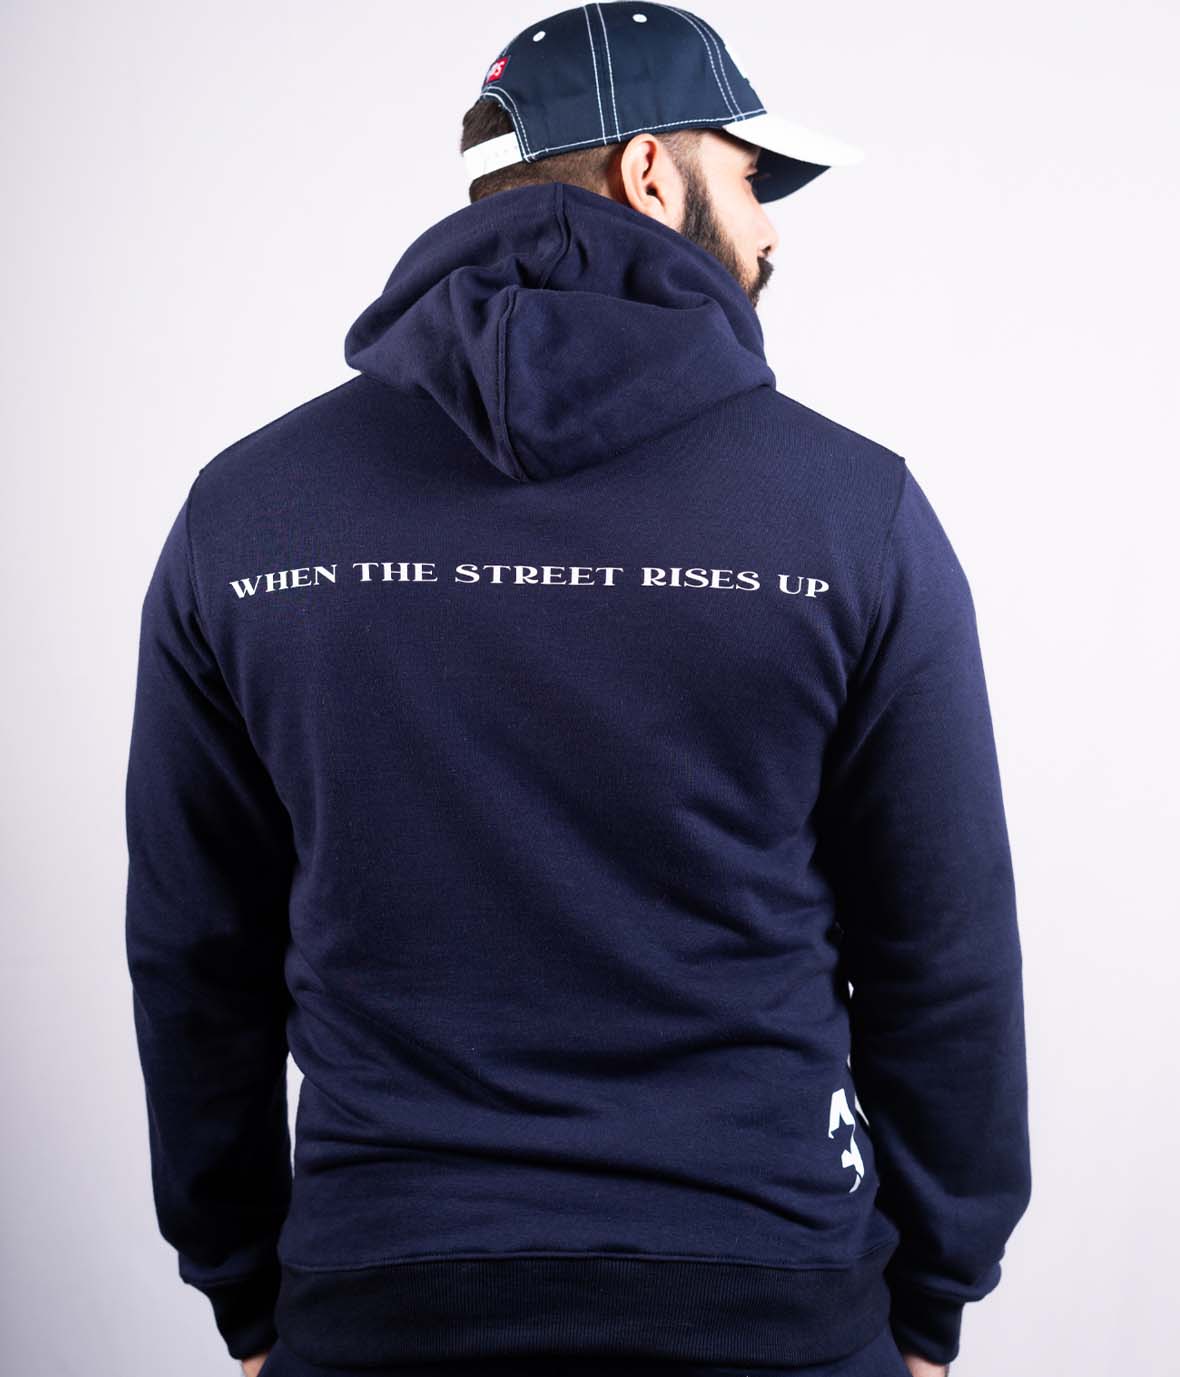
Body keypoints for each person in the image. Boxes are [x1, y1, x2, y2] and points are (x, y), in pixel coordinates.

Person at [123, 6, 1032, 1377]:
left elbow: (198, 953)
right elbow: (941, 948)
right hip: (769, 1298)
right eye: (750, 180)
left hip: (383, 1298)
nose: (769, 232)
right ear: (651, 173)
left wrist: (247, 1285)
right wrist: (935, 1296)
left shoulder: (246, 516)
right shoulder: (857, 515)